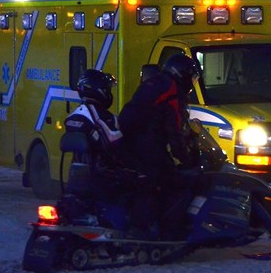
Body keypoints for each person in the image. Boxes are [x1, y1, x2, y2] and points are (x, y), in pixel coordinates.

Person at [118, 53, 201, 238]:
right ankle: (163, 230)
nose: (191, 83)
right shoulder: (171, 90)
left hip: (133, 141)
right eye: (192, 77)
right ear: (182, 74)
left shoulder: (155, 83)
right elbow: (175, 129)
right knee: (174, 180)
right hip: (147, 144)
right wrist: (186, 158)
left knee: (154, 176)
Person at [63, 69, 125, 200]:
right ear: (99, 90)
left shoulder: (75, 114)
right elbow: (112, 140)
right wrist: (127, 133)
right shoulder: (96, 113)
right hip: (100, 179)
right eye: (107, 88)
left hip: (76, 179)